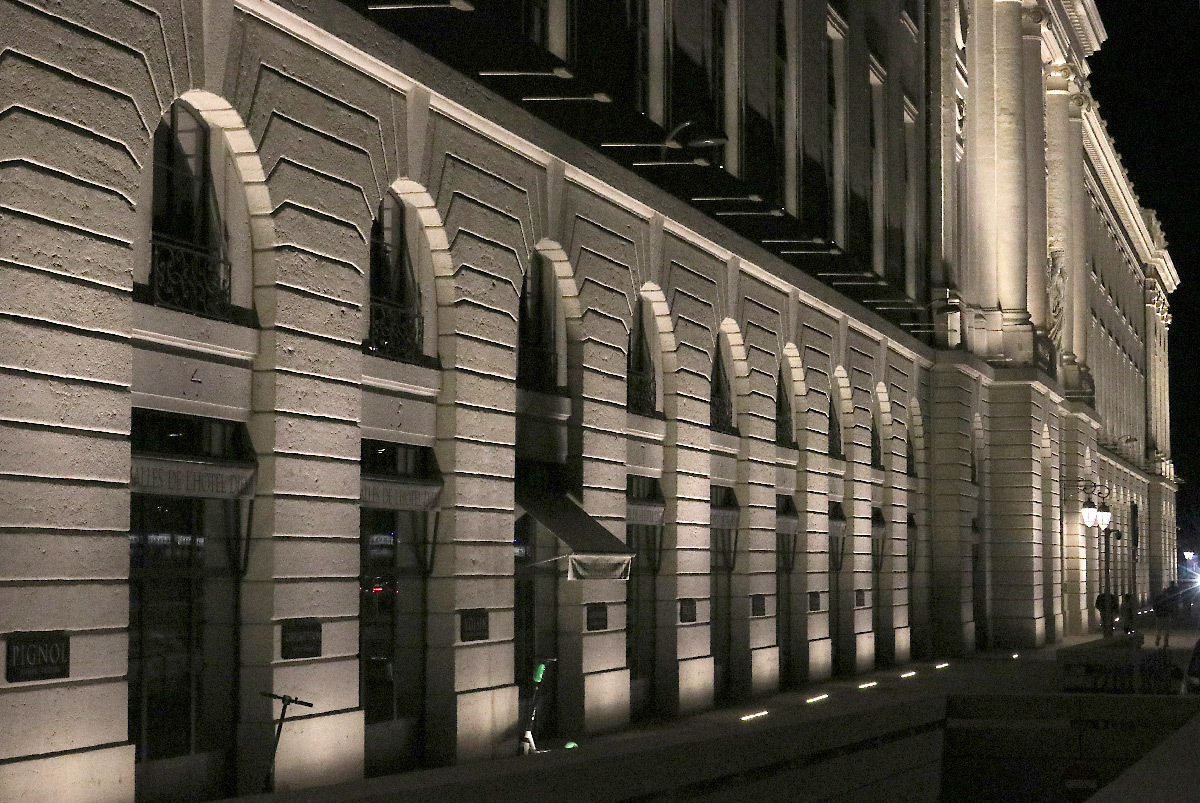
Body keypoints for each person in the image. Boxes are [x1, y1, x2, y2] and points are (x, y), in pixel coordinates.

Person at [1155, 582, 1179, 648]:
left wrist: (1156, 612)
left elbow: (1155, 606)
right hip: (1166, 616)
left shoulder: (1158, 598)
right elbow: (1170, 607)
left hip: (1159, 616)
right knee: (1167, 630)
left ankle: (1158, 639)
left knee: (1159, 629)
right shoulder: (1168, 599)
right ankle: (1165, 642)